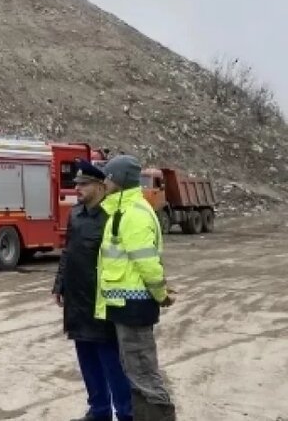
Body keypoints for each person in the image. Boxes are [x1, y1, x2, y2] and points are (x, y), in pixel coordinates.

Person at [96, 154, 177, 420]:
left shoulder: (134, 214)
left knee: (143, 374)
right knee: (135, 373)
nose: (103, 183)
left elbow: (147, 263)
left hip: (135, 307)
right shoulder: (121, 211)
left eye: (107, 177)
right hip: (124, 307)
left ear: (118, 180)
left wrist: (161, 294)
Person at [53, 159, 133, 421]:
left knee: (111, 363)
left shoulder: (112, 218)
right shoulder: (75, 214)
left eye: (84, 184)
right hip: (77, 300)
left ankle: (124, 413)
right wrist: (60, 283)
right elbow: (68, 251)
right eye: (77, 184)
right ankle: (98, 411)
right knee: (86, 361)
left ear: (100, 186)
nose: (78, 189)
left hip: (101, 301)